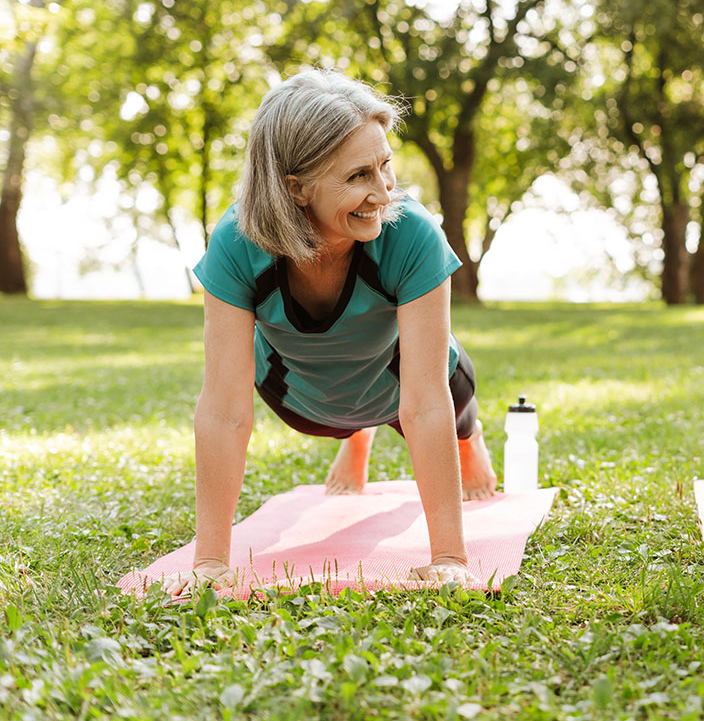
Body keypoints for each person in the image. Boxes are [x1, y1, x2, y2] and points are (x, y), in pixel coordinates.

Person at [166, 70, 496, 596]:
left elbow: (426, 402)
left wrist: (450, 558)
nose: (384, 192)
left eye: (386, 166)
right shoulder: (235, 241)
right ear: (295, 188)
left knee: (453, 392)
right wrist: (209, 563)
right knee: (335, 422)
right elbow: (225, 409)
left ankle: (469, 439)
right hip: (301, 396)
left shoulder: (411, 231)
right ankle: (355, 435)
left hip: (396, 386)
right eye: (359, 176)